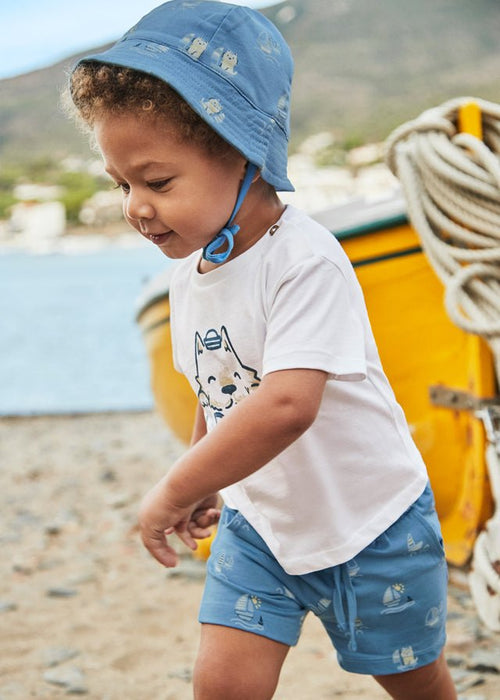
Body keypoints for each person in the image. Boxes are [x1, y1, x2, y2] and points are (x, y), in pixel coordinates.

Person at [67, 2, 457, 698]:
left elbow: (284, 406)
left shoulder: (304, 260)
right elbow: (217, 392)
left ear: (243, 153)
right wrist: (207, 475)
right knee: (222, 687)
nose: (134, 206)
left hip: (371, 524)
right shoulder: (190, 276)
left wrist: (171, 489)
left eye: (157, 182)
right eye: (121, 185)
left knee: (414, 683)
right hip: (262, 529)